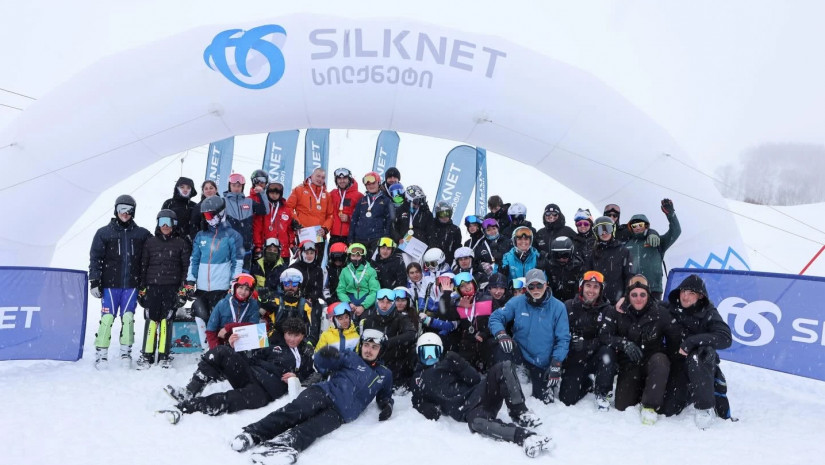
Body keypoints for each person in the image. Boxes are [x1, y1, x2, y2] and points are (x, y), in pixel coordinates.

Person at [230, 330, 394, 464]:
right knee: (294, 411)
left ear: (381, 350)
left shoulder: (385, 374)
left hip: (341, 413)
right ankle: (253, 433)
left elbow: (385, 395)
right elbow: (322, 365)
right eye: (366, 345)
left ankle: (282, 445)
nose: (369, 350)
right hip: (323, 393)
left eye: (374, 347)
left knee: (312, 429)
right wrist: (325, 355)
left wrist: (387, 405)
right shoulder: (351, 357)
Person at [411, 334, 552, 458]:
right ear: (418, 353)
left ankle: (519, 412)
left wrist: (461, 364)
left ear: (440, 351)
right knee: (477, 423)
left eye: (433, 352)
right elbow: (417, 400)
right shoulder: (418, 378)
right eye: (425, 353)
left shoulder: (448, 362)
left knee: (504, 366)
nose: (430, 357)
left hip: (479, 392)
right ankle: (522, 436)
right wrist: (426, 408)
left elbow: (475, 379)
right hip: (468, 411)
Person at [158, 317, 314, 423]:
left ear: (302, 335)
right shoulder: (273, 345)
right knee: (221, 351)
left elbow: (313, 376)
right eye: (289, 334)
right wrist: (234, 347)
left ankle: (188, 406)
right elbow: (251, 360)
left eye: (296, 335)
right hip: (250, 374)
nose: (292, 339)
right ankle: (190, 391)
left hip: (265, 391)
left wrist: (296, 376)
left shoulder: (305, 355)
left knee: (229, 400)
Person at [661, 274, 733, 429]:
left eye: (691, 293)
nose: (685, 296)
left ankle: (704, 407)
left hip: (700, 361)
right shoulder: (670, 307)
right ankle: (691, 391)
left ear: (700, 296)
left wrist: (692, 341)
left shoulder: (708, 312)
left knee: (697, 356)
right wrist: (624, 301)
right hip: (677, 365)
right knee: (667, 410)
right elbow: (644, 303)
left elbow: (725, 338)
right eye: (683, 291)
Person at [489, 269, 570, 404]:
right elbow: (496, 317)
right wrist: (501, 334)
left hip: (542, 361)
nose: (535, 289)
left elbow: (563, 339)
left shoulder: (558, 307)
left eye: (539, 285)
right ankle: (506, 381)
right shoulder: (517, 302)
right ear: (526, 287)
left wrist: (556, 363)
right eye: (531, 286)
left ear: (546, 285)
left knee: (544, 400)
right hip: (520, 354)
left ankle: (546, 382)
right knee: (502, 346)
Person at [89, 194, 151, 369]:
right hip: (110, 284)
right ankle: (101, 354)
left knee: (128, 318)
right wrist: (94, 280)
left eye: (129, 210)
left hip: (131, 284)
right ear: (116, 210)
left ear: (133, 212)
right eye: (121, 209)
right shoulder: (104, 233)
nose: (125, 213)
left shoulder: (141, 234)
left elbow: (153, 253)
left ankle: (126, 352)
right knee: (107, 318)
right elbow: (95, 258)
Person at [600, 275, 670, 423]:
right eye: (634, 295)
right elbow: (604, 335)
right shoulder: (616, 311)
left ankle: (650, 406)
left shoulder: (660, 312)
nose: (638, 299)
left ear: (648, 295)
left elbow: (676, 335)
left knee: (661, 360)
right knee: (622, 406)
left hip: (653, 362)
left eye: (642, 294)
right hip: (630, 363)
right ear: (628, 295)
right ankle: (642, 389)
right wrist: (623, 343)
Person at [186, 195, 245, 348]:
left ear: (221, 213)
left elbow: (237, 262)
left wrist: (234, 283)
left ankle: (222, 349)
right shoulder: (201, 235)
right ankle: (207, 350)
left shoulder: (233, 235)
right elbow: (194, 259)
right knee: (201, 315)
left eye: (210, 215)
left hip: (222, 287)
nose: (208, 219)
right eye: (205, 216)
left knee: (218, 319)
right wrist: (191, 280)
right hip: (202, 287)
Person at [137, 209, 191, 369]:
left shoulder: (181, 243)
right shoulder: (150, 242)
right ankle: (147, 355)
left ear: (174, 224)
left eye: (168, 222)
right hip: (152, 287)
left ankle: (164, 355)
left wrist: (183, 290)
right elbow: (143, 266)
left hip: (171, 287)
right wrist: (141, 288)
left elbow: (186, 268)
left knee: (166, 319)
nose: (165, 226)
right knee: (151, 319)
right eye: (162, 222)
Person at [623, 199, 681, 299]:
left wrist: (670, 214)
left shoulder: (657, 242)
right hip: (632, 289)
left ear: (646, 226)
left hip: (654, 289)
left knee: (655, 310)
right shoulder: (626, 245)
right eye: (634, 225)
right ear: (631, 227)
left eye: (640, 225)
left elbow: (676, 232)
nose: (637, 228)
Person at [360, 289, 417, 388]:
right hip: (372, 358)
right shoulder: (368, 317)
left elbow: (411, 333)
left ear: (393, 304)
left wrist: (388, 342)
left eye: (388, 303)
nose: (384, 305)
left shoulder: (401, 318)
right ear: (377, 302)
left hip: (394, 360)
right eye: (382, 302)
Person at [441, 272, 496, 372]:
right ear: (458, 290)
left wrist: (485, 333)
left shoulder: (488, 300)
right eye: (462, 286)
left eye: (468, 283)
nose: (467, 287)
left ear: (473, 283)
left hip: (487, 344)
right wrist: (447, 294)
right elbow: (444, 314)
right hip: (468, 347)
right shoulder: (458, 304)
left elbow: (498, 320)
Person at [205, 273, 261, 349]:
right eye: (240, 287)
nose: (243, 292)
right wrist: (216, 350)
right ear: (234, 287)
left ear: (250, 292)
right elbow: (211, 331)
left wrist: (229, 327)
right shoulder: (222, 304)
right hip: (223, 346)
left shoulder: (253, 305)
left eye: (247, 289)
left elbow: (254, 328)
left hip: (245, 346)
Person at [264, 268, 318, 346]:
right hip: (275, 341)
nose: (290, 287)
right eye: (286, 284)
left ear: (299, 286)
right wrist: (262, 301)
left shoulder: (306, 305)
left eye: (294, 284)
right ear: (282, 285)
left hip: (297, 341)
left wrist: (309, 343)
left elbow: (312, 328)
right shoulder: (274, 301)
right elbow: (260, 315)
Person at [285, 167, 334, 252]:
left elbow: (330, 215)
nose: (320, 179)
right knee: (303, 259)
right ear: (312, 176)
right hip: (303, 233)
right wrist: (296, 222)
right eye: (318, 176)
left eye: (323, 178)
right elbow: (288, 207)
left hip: (319, 235)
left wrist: (325, 229)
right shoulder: (299, 190)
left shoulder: (327, 195)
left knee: (318, 259)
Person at [588, 216, 634, 304]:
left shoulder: (623, 251)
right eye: (600, 230)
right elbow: (587, 275)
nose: (604, 233)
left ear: (613, 230)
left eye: (608, 229)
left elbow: (629, 276)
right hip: (596, 300)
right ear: (596, 233)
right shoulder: (592, 252)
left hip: (617, 300)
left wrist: (625, 297)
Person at [348, 171, 392, 255]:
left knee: (374, 262)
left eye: (373, 183)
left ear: (378, 183)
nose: (371, 186)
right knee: (360, 261)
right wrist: (350, 239)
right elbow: (354, 219)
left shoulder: (386, 200)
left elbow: (389, 220)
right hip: (360, 238)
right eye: (368, 184)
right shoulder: (362, 200)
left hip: (377, 239)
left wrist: (386, 237)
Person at [336, 243, 380, 324]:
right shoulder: (345, 271)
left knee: (365, 322)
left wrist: (363, 306)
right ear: (349, 257)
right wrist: (348, 303)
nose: (356, 258)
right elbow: (340, 290)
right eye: (353, 256)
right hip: (350, 304)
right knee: (348, 322)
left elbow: (375, 291)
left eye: (358, 256)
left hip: (367, 303)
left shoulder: (371, 271)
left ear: (363, 257)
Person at [253, 182, 296, 261]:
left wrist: (292, 244)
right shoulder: (263, 208)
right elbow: (257, 229)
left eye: (277, 193)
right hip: (266, 251)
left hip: (283, 252)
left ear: (280, 194)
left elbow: (290, 230)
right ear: (267, 193)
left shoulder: (286, 210)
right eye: (272, 193)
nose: (274, 195)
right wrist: (258, 247)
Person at [223, 173, 258, 271]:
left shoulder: (249, 201)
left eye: (239, 186)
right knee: (228, 275)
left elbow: (264, 210)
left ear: (242, 187)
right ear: (229, 186)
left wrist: (262, 193)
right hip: (229, 248)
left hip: (246, 248)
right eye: (234, 185)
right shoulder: (223, 201)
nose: (236, 188)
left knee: (244, 276)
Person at [328, 168, 363, 248]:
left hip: (350, 237)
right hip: (334, 236)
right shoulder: (332, 194)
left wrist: (349, 218)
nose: (342, 181)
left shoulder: (358, 196)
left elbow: (363, 216)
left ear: (349, 179)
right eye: (339, 179)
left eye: (344, 178)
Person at [251, 238, 287, 312]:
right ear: (264, 250)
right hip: (257, 302)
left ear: (278, 253)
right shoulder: (257, 266)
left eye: (275, 251)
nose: (272, 252)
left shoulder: (283, 269)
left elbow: (283, 291)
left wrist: (269, 301)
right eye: (269, 250)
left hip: (275, 304)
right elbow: (251, 287)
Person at [544, 236, 584, 302]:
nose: (561, 259)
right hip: (554, 300)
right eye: (557, 255)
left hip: (573, 301)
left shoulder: (578, 266)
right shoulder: (549, 265)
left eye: (565, 255)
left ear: (571, 253)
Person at [161, 177, 198, 242]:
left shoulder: (194, 206)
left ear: (191, 190)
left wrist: (190, 239)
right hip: (169, 241)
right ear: (177, 188)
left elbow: (196, 226)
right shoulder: (168, 203)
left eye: (188, 188)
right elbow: (161, 223)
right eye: (182, 187)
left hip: (188, 243)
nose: (185, 190)